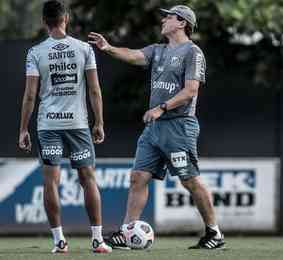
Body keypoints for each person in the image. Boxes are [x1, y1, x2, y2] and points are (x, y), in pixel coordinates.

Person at [89, 5, 225, 249]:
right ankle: (127, 231)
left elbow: (191, 91)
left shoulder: (193, 52)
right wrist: (108, 48)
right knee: (138, 177)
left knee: (190, 180)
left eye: (169, 16)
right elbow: (133, 55)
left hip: (179, 126)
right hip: (154, 129)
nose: (164, 19)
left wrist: (161, 107)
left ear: (182, 23)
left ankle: (214, 233)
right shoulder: (158, 50)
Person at [18, 0, 112, 254]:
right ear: (66, 18)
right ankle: (97, 240)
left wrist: (23, 129)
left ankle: (59, 242)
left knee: (51, 183)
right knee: (88, 179)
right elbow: (94, 89)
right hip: (78, 125)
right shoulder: (84, 49)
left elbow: (29, 95)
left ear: (43, 22)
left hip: (48, 125)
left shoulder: (36, 52)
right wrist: (99, 122)